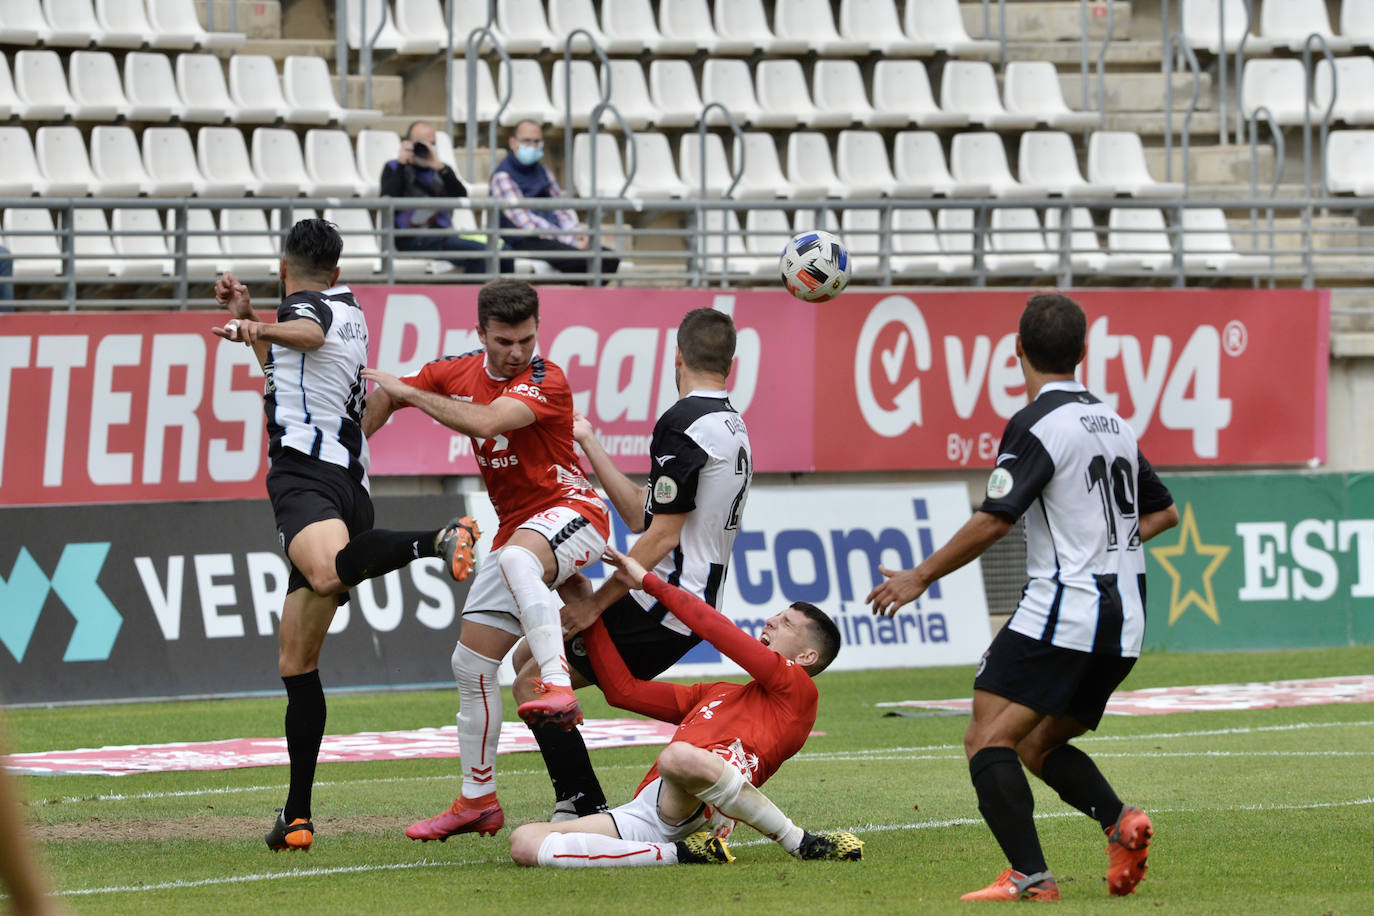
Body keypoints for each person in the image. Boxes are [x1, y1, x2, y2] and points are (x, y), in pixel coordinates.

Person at [866, 293, 1180, 902]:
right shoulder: (1113, 423)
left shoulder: (1038, 423)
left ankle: (1031, 877)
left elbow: (996, 518)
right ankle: (1119, 822)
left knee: (986, 737)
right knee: (1037, 742)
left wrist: (919, 576)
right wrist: (1103, 544)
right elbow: (1163, 513)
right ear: (1085, 352)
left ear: (1017, 351)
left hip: (1069, 610)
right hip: (1127, 620)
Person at [212, 218, 480, 853]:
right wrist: (257, 323)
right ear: (336, 271)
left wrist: (259, 323)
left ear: (284, 267)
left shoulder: (305, 310)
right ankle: (297, 816)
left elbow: (303, 331)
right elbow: (293, 364)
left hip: (306, 479)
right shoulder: (348, 305)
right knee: (296, 662)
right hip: (347, 486)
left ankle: (434, 540)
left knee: (330, 572)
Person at [359, 277, 612, 843]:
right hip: (519, 532)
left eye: (526, 339)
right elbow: (390, 397)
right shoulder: (459, 369)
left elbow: (484, 422)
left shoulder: (547, 379)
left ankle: (555, 683)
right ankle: (477, 800)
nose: (518, 352)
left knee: (521, 562)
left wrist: (410, 391)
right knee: (470, 667)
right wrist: (354, 449)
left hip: (575, 512)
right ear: (481, 334)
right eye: (505, 342)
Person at [509, 307, 753, 822]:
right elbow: (646, 514)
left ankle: (581, 802)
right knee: (527, 661)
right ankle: (582, 798)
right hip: (678, 604)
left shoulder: (683, 423)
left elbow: (661, 536)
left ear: (678, 357)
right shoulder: (730, 423)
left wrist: (595, 605)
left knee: (533, 680)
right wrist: (591, 443)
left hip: (661, 607)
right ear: (731, 363)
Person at [509, 546, 861, 868]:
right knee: (524, 843)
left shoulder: (798, 692)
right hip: (653, 810)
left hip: (700, 804)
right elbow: (623, 692)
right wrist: (590, 611)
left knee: (677, 756)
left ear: (807, 657)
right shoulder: (720, 692)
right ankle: (679, 854)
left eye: (786, 623)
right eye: (777, 615)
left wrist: (648, 582)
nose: (771, 620)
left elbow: (717, 630)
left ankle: (798, 841)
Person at [489, 119, 620, 283]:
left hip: (554, 236)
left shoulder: (544, 171)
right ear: (512, 143)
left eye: (537, 141)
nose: (532, 145)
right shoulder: (503, 176)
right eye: (526, 141)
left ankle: (584, 301)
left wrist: (578, 235)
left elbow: (561, 210)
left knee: (609, 258)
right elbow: (527, 223)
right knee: (589, 262)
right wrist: (569, 241)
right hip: (524, 240)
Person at [379, 120, 511, 276]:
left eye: (432, 143)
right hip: (413, 239)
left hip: (445, 235)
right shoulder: (394, 167)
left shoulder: (441, 169)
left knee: (505, 252)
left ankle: (504, 298)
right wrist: (402, 163)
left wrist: (439, 166)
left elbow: (461, 196)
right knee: (481, 254)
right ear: (408, 143)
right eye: (421, 143)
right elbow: (387, 199)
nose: (426, 147)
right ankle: (472, 299)